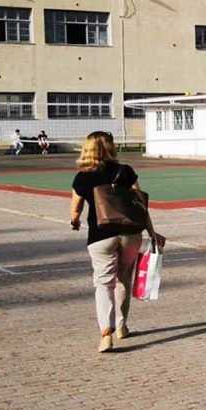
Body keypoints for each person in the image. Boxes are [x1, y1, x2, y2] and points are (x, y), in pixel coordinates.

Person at [69, 131, 166, 353]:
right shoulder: (125, 171)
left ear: (87, 149)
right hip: (130, 233)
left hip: (100, 235)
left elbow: (75, 210)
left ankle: (106, 334)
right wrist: (152, 232)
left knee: (104, 283)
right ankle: (122, 326)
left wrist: (74, 221)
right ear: (111, 147)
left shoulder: (82, 177)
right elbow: (140, 205)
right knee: (123, 279)